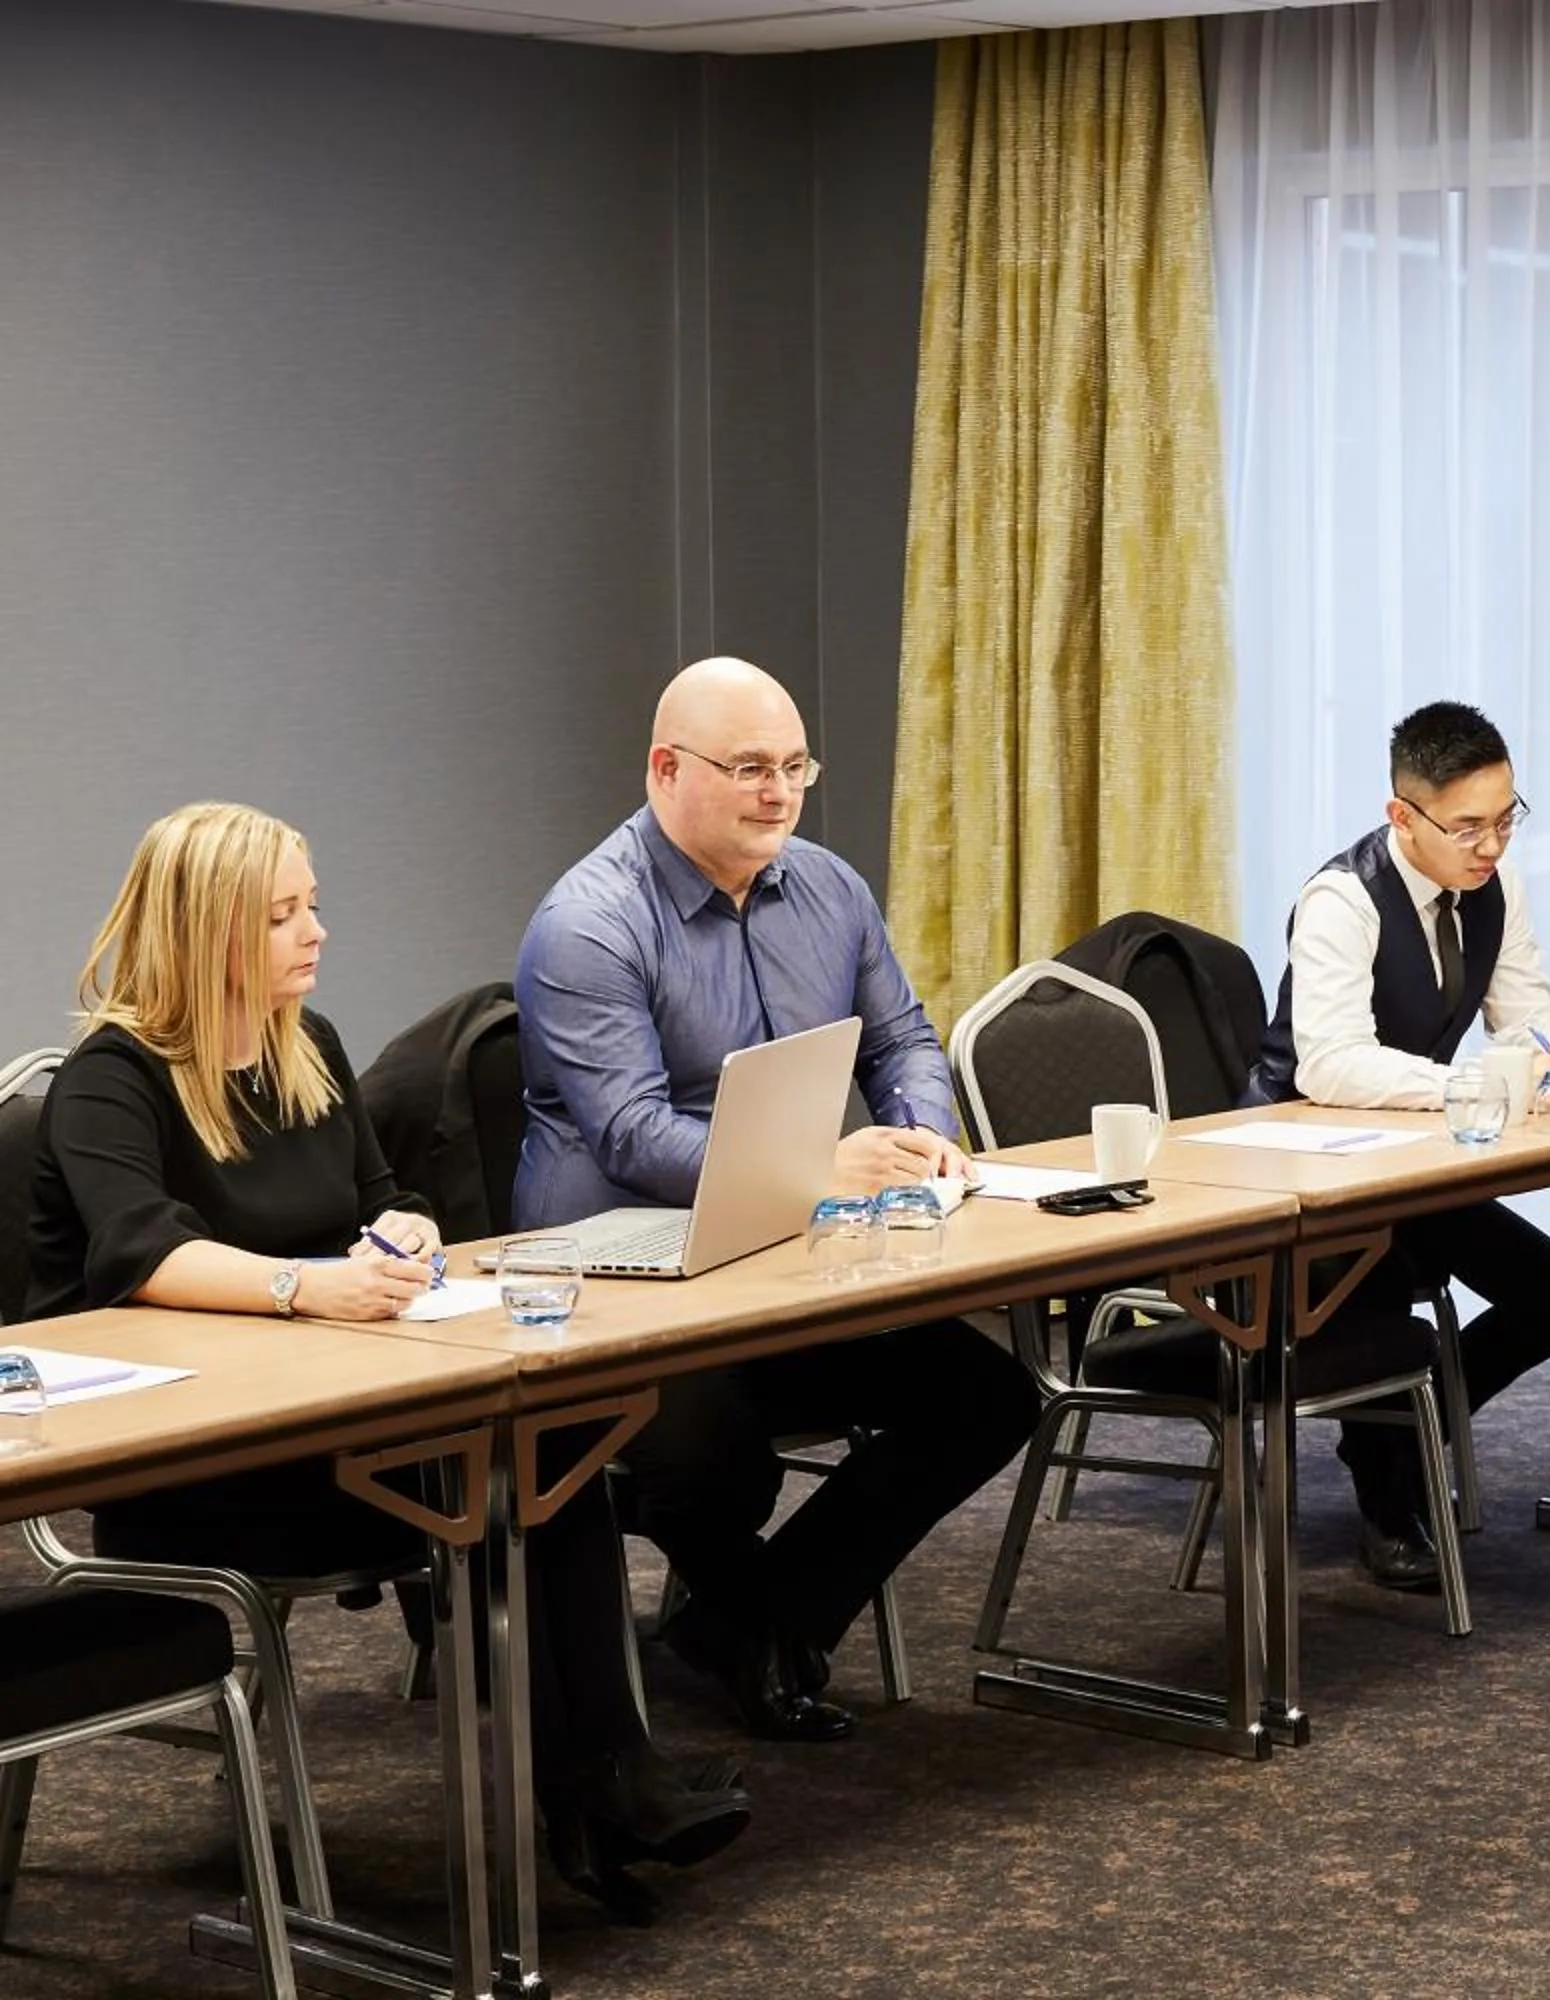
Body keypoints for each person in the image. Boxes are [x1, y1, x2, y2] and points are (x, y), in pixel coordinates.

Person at [21, 802, 748, 1925]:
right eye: (280, 914)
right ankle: (593, 1793)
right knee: (496, 1483)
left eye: (310, 903)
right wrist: (307, 1284)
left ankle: (609, 1775)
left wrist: (406, 1232)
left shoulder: (304, 1045)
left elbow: (380, 1197)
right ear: (206, 928)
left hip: (327, 1409)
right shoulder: (114, 1074)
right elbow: (141, 1249)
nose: (315, 931)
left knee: (551, 1451)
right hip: (195, 1466)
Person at [515, 658, 1041, 1742]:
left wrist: (923, 1132)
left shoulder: (829, 887)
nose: (780, 791)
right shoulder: (590, 921)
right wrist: (816, 1173)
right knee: (714, 1460)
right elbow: (629, 1132)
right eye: (750, 767)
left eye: (795, 766)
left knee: (986, 1394)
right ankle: (758, 1625)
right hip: (624, 1286)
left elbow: (903, 1037)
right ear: (667, 769)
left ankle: (754, 1621)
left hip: (783, 1261)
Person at [1242, 701, 1550, 1591]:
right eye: (1468, 826)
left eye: (1506, 819)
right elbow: (1330, 1063)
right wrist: (1479, 1088)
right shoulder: (1341, 899)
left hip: (1413, 1161)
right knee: (1386, 1295)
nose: (1492, 846)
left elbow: (1531, 1018)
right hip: (1303, 1176)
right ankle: (1390, 1493)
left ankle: (1411, 1431)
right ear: (1404, 816)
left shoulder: (1493, 890)